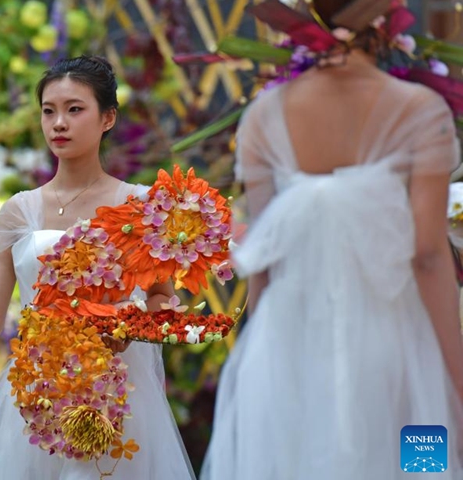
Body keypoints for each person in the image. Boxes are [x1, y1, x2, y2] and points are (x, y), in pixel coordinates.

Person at [201, 1, 463, 479]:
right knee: (420, 464)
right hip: (396, 344)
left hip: (288, 341)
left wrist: (260, 355)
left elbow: (263, 256)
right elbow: (428, 256)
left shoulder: (262, 116)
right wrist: (452, 377)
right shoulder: (422, 110)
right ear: (384, 23)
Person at [0, 55, 196, 479]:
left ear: (108, 118)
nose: (58, 123)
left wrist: (135, 323)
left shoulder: (142, 207)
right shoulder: (18, 211)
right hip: (37, 393)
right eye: (49, 111)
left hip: (116, 392)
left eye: (74, 109)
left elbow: (160, 297)